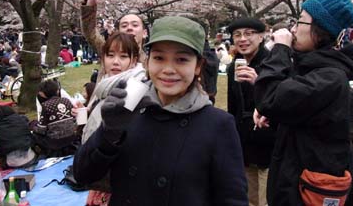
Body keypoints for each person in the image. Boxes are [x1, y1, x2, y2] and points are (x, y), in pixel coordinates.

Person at [73, 16, 249, 206]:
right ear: (147, 62)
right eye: (159, 58)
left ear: (198, 66)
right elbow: (83, 175)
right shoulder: (127, 111)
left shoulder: (217, 124)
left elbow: (232, 199)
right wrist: (108, 133)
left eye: (181, 59)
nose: (168, 69)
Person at [254, 0, 353, 206]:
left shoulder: (329, 77)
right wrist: (274, 113)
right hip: (297, 180)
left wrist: (280, 49)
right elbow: (288, 104)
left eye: (300, 21)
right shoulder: (317, 68)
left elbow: (270, 97)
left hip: (306, 190)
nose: (293, 29)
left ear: (322, 30)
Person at [78, 31, 145, 206]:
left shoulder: (133, 88)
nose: (115, 61)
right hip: (98, 174)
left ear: (134, 60)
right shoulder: (106, 83)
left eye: (123, 56)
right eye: (110, 55)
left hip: (117, 184)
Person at [227, 17, 275, 206]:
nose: (242, 39)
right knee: (247, 197)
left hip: (269, 142)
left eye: (249, 33)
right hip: (243, 142)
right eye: (237, 35)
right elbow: (233, 108)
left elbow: (282, 102)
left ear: (261, 36)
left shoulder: (273, 64)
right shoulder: (234, 67)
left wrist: (259, 84)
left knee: (267, 198)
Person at [80, 0, 148, 69]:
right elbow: (90, 32)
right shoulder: (107, 50)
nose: (129, 28)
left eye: (135, 25)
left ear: (144, 33)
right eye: (124, 26)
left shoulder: (150, 63)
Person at [33, 80, 77, 157]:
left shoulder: (45, 106)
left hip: (55, 142)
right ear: (57, 91)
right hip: (72, 138)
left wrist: (33, 126)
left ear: (42, 94)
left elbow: (41, 130)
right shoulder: (66, 100)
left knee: (35, 134)